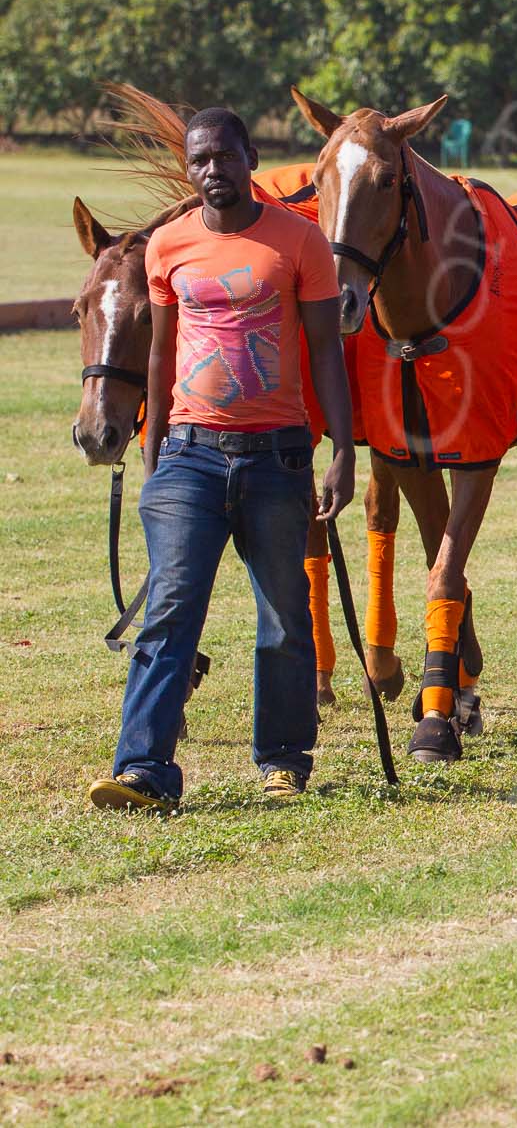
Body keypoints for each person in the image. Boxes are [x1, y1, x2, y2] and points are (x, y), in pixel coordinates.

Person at [88, 108, 355, 811]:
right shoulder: (169, 246)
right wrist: (155, 457)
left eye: (225, 157)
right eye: (200, 160)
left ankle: (283, 758)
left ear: (251, 157)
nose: (213, 171)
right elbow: (158, 352)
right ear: (190, 168)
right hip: (189, 456)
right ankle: (144, 766)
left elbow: (327, 351)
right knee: (172, 610)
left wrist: (344, 453)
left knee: (284, 616)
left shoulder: (300, 242)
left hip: (276, 457)